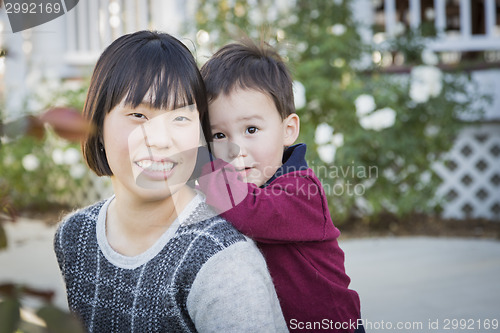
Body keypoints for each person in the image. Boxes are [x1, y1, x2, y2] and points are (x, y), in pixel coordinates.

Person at [53, 30, 287, 333]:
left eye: (180, 118)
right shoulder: (74, 236)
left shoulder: (223, 262)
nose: (161, 140)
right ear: (96, 126)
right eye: (138, 114)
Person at [199, 39, 364, 333]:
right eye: (220, 135)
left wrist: (199, 166)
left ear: (288, 130)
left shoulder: (303, 190)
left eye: (251, 129)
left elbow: (253, 213)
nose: (235, 149)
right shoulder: (238, 188)